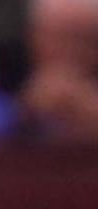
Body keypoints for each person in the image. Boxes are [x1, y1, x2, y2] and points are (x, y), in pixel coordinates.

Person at [21, 0, 98, 140]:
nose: (70, 50)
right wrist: (26, 110)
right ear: (35, 39)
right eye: (60, 38)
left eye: (82, 40)